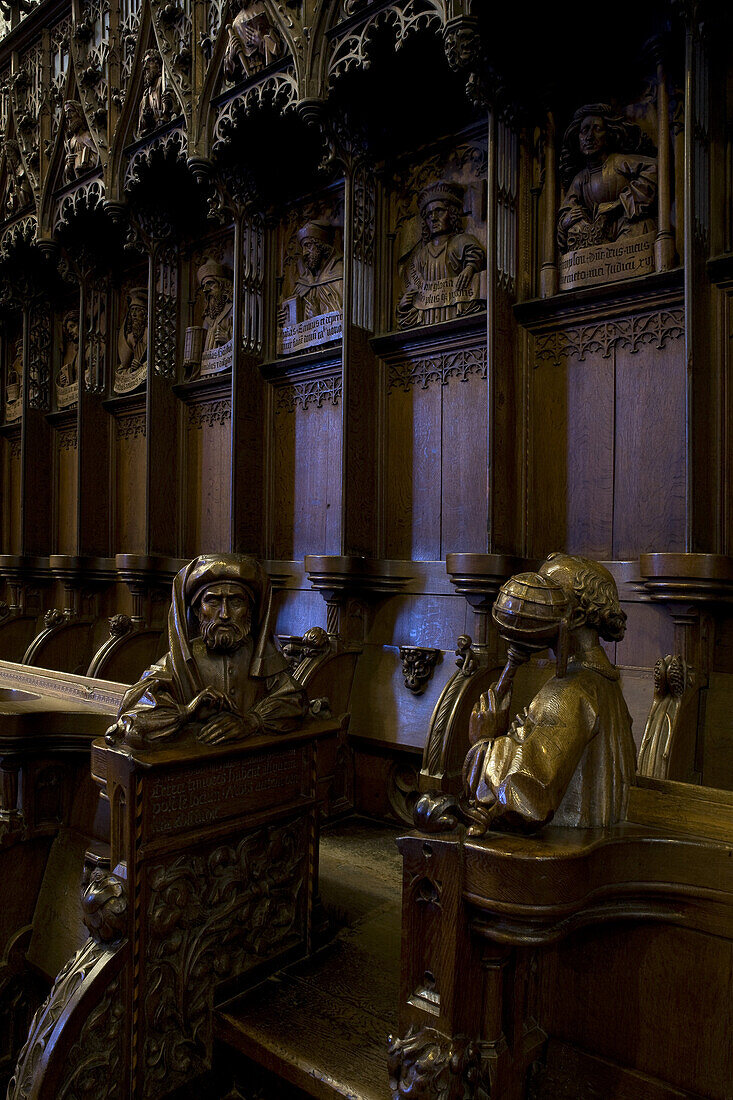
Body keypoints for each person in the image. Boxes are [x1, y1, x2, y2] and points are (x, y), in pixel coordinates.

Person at [463, 553, 636, 832]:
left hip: (562, 847)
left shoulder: (569, 692)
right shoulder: (601, 680)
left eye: (548, 592)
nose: (534, 596)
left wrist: (484, 741)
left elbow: (524, 798)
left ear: (577, 617)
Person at [106, 554, 308, 748]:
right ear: (196, 610)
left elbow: (296, 702)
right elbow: (131, 721)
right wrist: (187, 711)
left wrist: (253, 721)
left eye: (236, 602)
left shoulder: (264, 658)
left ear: (250, 610)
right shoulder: (175, 664)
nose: (225, 614)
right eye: (213, 601)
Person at [557, 103, 657, 253]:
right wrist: (567, 221)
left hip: (628, 228)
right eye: (584, 131)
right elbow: (566, 213)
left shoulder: (618, 162)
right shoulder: (580, 179)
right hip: (597, 239)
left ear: (608, 136)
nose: (589, 137)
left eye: (597, 129)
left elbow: (654, 168)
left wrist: (620, 203)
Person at [397, 179, 486, 328]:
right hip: (426, 323)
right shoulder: (420, 255)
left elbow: (475, 254)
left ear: (451, 213)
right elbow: (414, 289)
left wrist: (470, 268)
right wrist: (405, 304)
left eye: (439, 211)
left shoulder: (462, 241)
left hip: (460, 318)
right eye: (429, 214)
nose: (433, 218)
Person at [292, 221, 343, 319]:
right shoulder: (303, 284)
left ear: (321, 245)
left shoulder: (340, 276)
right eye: (303, 248)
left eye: (308, 245)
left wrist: (317, 316)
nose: (304, 253)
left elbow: (344, 320)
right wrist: (284, 320)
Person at [223, 1, 281, 82]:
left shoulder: (263, 6)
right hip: (246, 78)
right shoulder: (236, 23)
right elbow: (228, 72)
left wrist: (261, 40)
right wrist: (232, 56)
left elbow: (279, 41)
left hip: (268, 70)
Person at [197, 260, 234, 353]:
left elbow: (247, 343)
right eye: (203, 286)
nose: (205, 290)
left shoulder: (233, 309)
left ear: (223, 285)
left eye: (210, 283)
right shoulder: (208, 318)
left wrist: (228, 340)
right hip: (209, 364)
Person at [137, 50, 176, 137]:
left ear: (158, 65)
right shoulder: (146, 96)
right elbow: (141, 130)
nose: (145, 67)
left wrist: (169, 103)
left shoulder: (164, 83)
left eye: (149, 62)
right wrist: (147, 118)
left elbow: (175, 107)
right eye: (144, 63)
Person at [63, 100, 97, 183]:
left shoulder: (88, 136)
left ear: (79, 113)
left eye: (70, 111)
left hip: (92, 179)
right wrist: (69, 164)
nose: (68, 117)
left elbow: (99, 158)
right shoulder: (69, 142)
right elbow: (69, 176)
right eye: (66, 113)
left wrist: (86, 163)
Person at [117, 288, 148, 376]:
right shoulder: (131, 337)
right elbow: (122, 368)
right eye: (132, 310)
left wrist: (143, 366)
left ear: (145, 313)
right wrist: (131, 369)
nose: (133, 314)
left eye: (137, 310)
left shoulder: (150, 333)